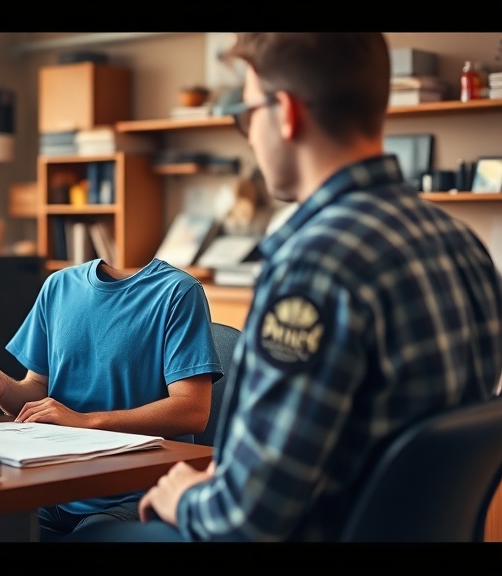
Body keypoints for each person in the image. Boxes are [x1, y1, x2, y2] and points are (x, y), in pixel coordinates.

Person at [72, 33, 502, 542]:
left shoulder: (314, 265)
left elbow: (247, 522)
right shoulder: (462, 245)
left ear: (286, 113)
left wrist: (183, 495)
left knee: (91, 531)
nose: (249, 136)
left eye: (247, 115)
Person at [0, 256, 223, 541]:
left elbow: (192, 410)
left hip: (130, 494)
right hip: (51, 488)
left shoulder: (179, 291)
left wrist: (85, 421)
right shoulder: (58, 285)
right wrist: (1, 388)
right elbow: (39, 391)